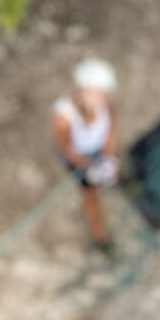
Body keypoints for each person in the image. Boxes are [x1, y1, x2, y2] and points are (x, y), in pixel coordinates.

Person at [51, 59, 120, 252]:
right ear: (80, 90)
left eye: (102, 94)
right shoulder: (63, 116)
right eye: (93, 93)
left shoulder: (105, 105)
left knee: (112, 174)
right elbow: (66, 148)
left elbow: (111, 131)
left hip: (97, 151)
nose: (99, 99)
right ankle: (101, 238)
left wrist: (109, 158)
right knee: (91, 195)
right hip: (79, 157)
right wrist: (89, 167)